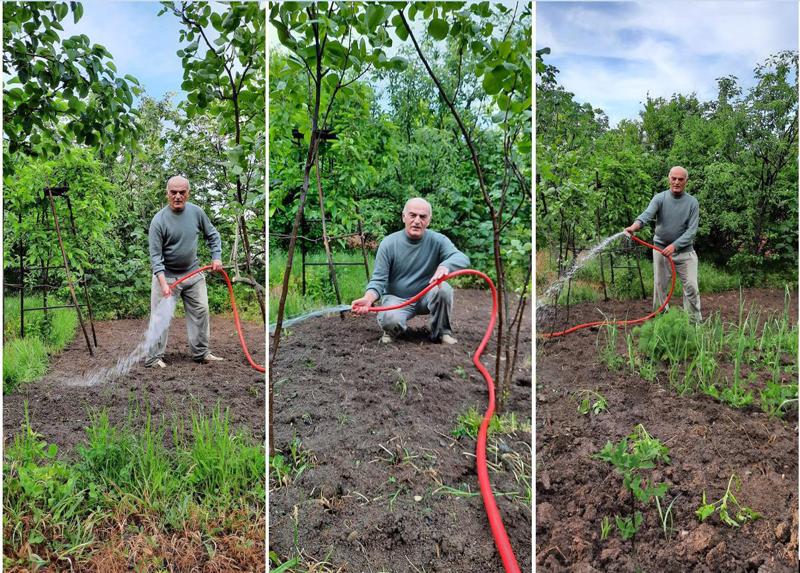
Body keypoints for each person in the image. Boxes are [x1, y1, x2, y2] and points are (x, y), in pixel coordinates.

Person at [351, 197, 470, 344]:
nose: (417, 220)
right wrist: (368, 299)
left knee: (444, 289)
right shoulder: (389, 243)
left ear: (429, 220)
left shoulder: (438, 240)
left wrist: (445, 266)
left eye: (423, 217)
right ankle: (394, 331)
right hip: (397, 299)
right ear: (404, 217)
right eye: (413, 215)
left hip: (426, 295)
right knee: (390, 320)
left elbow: (461, 258)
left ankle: (441, 332)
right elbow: (378, 280)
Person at [145, 176, 225, 367]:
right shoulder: (159, 221)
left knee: (201, 310)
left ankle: (201, 353)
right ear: (167, 194)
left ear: (188, 193)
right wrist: (164, 285)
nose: (178, 196)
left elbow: (213, 235)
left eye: (182, 192)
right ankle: (154, 358)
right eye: (174, 192)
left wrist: (217, 257)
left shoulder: (196, 213)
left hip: (193, 273)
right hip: (167, 276)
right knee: (160, 316)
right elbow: (156, 258)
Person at [625, 166, 701, 322]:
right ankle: (661, 320)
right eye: (674, 178)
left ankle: (694, 322)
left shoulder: (692, 203)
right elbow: (646, 215)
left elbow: (692, 231)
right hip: (660, 249)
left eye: (680, 179)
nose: (677, 182)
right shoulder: (660, 198)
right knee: (660, 286)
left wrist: (674, 246)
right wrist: (634, 227)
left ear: (686, 181)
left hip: (685, 252)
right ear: (669, 179)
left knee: (692, 287)